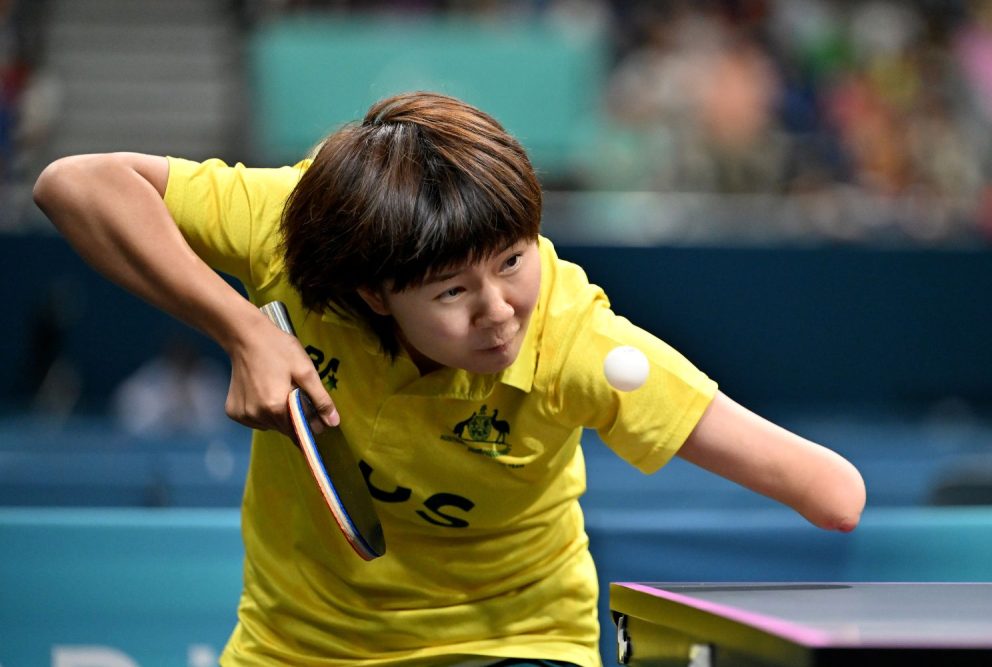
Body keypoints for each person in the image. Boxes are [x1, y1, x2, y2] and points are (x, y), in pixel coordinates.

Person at [33, 91, 865, 667]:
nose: (500, 312)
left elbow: (835, 492)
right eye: (452, 292)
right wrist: (243, 328)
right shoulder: (299, 229)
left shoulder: (578, 343)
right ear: (373, 292)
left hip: (516, 641)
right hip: (300, 645)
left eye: (512, 261)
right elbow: (73, 184)